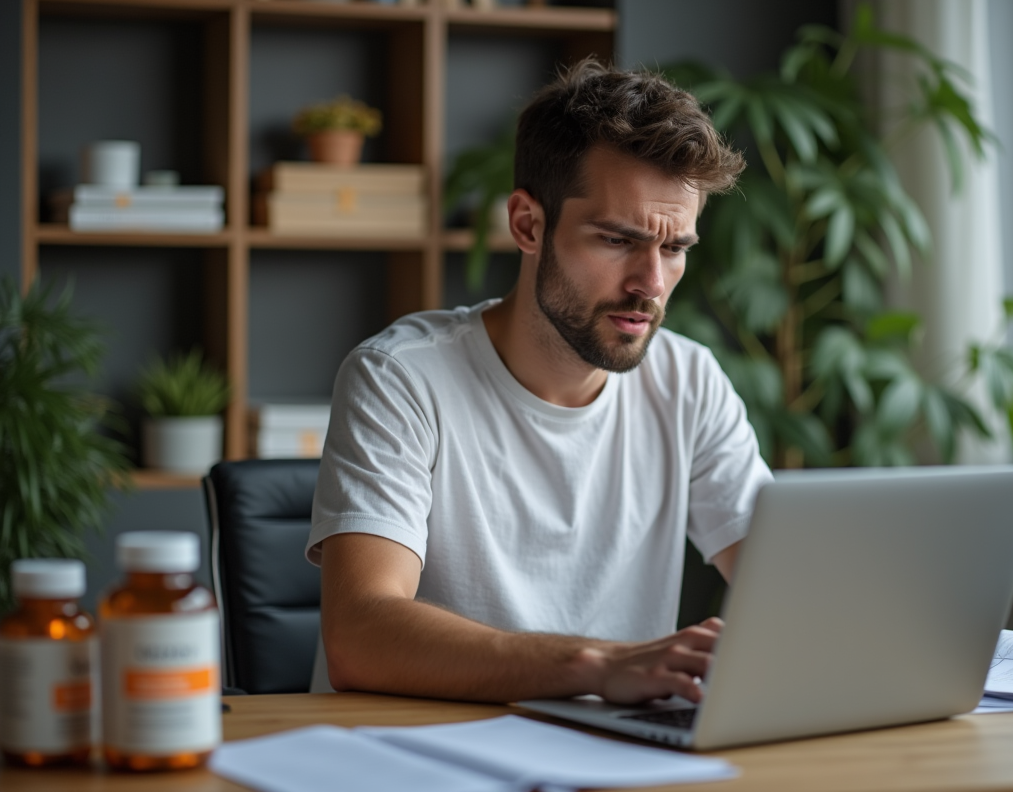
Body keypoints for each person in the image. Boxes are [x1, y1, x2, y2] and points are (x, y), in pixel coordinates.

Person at [305, 58, 773, 705]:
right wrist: (600, 665)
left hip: (612, 758)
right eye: (617, 239)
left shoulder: (688, 380)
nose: (652, 283)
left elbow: (787, 589)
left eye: (674, 248)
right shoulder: (402, 378)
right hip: (423, 754)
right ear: (528, 224)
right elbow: (359, 634)